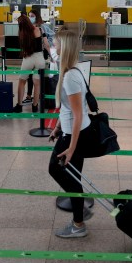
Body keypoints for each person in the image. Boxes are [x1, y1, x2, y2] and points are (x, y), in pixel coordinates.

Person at [47, 29, 98, 239]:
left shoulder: (70, 77)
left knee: (56, 170)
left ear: (64, 47)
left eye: (56, 43)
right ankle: (80, 210)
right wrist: (58, 127)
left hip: (75, 135)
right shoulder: (72, 70)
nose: (54, 46)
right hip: (71, 131)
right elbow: (68, 109)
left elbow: (77, 114)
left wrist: (71, 147)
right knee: (72, 176)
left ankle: (78, 224)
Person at [13, 13, 49, 112]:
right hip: (39, 58)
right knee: (37, 83)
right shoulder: (39, 30)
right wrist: (52, 56)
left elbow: (23, 49)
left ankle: (19, 106)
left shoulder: (22, 33)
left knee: (22, 82)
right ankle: (35, 106)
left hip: (28, 58)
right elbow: (46, 45)